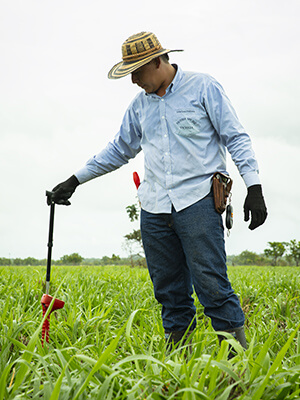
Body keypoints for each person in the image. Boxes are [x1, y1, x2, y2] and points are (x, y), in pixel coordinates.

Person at [49, 31, 267, 353]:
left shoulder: (203, 87)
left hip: (198, 202)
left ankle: (236, 365)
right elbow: (118, 150)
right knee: (168, 292)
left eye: (136, 72)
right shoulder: (139, 106)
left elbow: (235, 137)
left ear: (157, 61)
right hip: (154, 209)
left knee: (212, 286)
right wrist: (74, 180)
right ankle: (179, 362)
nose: (134, 81)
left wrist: (255, 187)